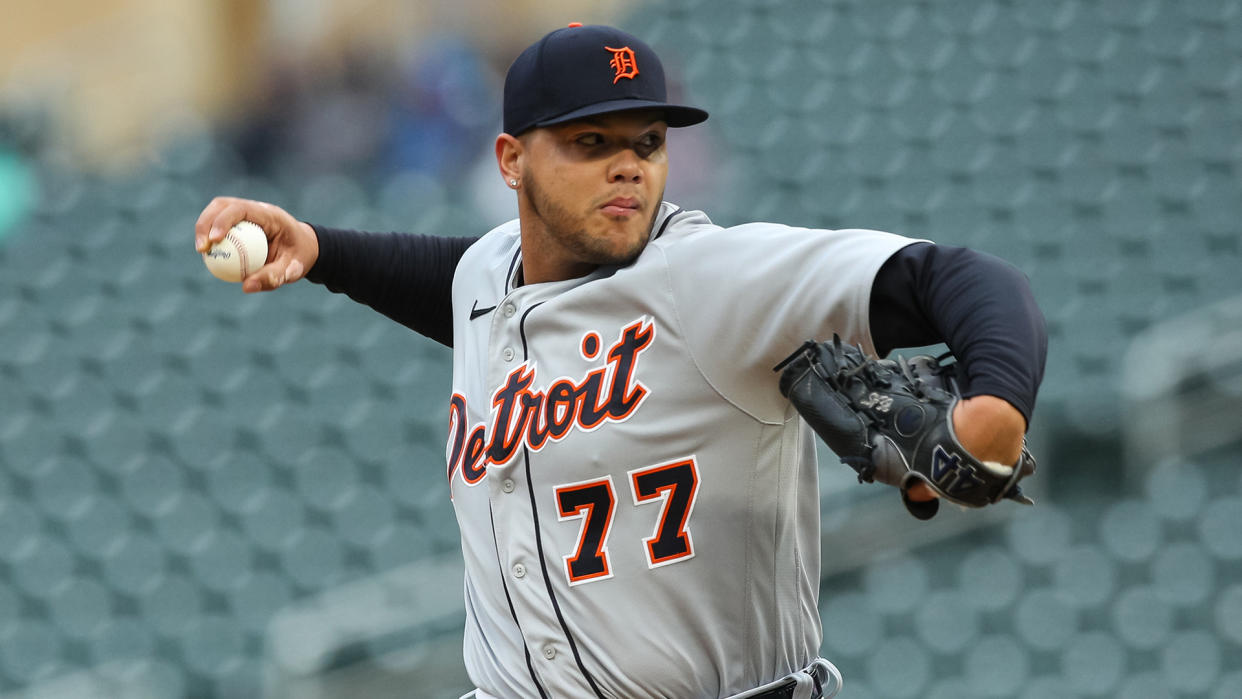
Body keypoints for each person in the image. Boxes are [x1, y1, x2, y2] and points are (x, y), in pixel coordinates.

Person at [194, 23, 1046, 699]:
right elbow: (459, 284)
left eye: (646, 141)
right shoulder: (490, 276)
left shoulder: (710, 276)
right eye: (591, 142)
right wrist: (320, 249)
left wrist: (997, 402)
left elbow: (960, 278)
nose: (628, 167)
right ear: (511, 160)